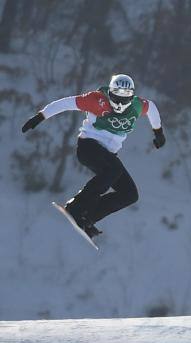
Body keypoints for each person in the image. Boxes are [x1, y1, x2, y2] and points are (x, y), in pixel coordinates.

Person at [21, 73, 165, 240]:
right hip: (88, 147)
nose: (118, 104)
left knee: (130, 194)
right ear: (109, 94)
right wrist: (40, 116)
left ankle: (86, 219)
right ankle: (74, 208)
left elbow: (152, 108)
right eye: (115, 98)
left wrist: (158, 132)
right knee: (113, 170)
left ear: (131, 98)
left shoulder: (137, 106)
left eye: (123, 99)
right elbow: (66, 103)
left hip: (108, 156)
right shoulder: (96, 100)